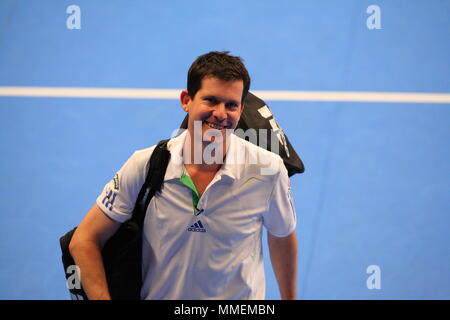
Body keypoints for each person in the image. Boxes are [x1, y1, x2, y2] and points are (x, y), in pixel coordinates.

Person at [69, 51, 298, 300]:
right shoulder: (144, 165)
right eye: (211, 100)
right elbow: (83, 240)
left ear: (241, 109)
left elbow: (282, 234)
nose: (221, 113)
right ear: (186, 100)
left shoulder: (268, 170)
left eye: (231, 105)